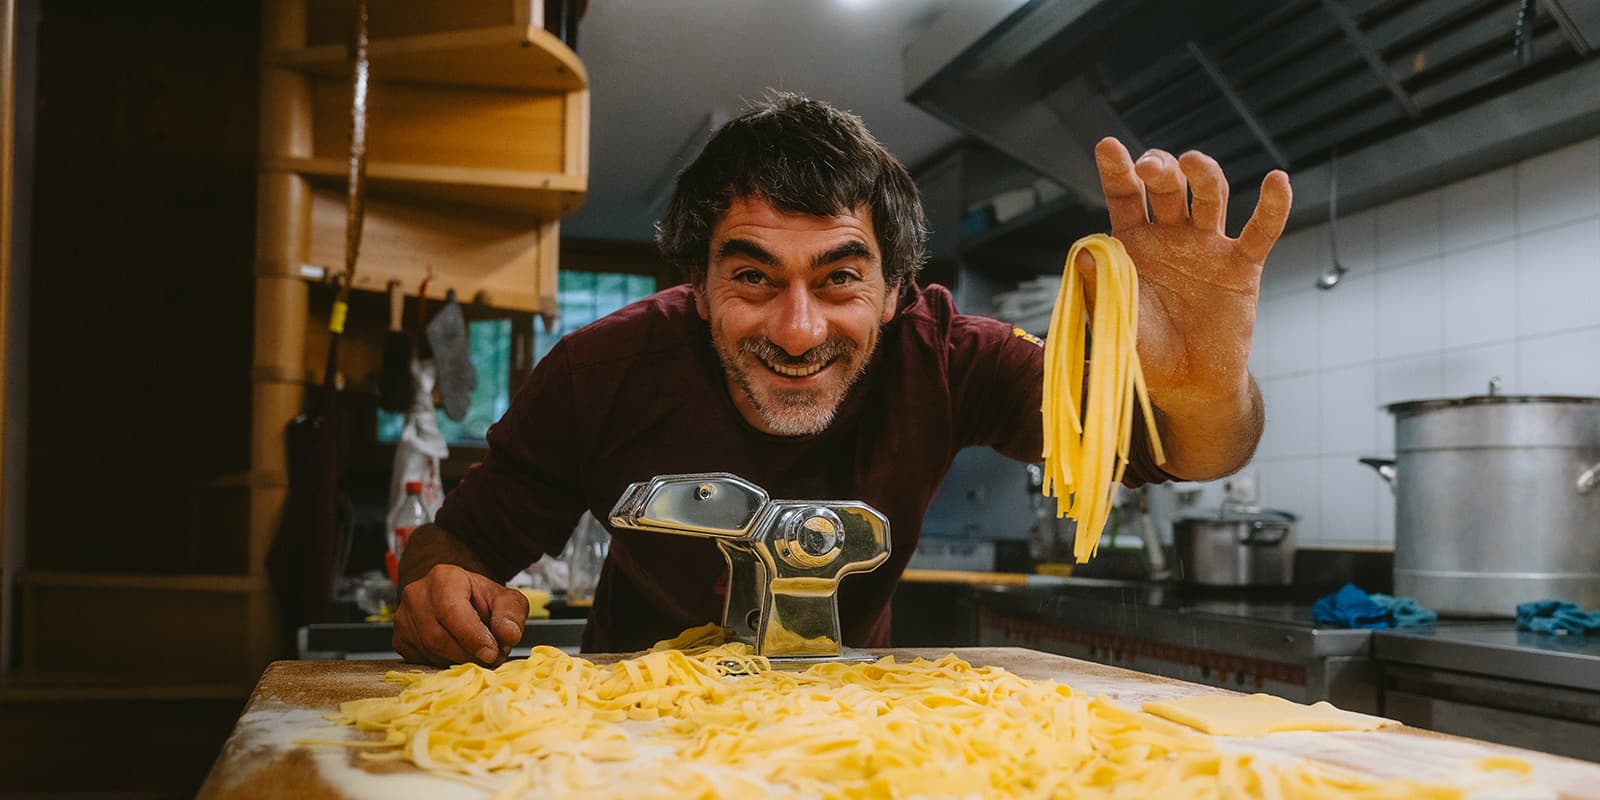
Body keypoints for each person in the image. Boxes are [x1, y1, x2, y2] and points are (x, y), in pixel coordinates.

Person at [392, 92, 1291, 667]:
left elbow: (1174, 454)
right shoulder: (602, 371)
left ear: (899, 291)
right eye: (750, 277)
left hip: (847, 736)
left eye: (839, 278)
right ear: (698, 290)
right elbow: (457, 545)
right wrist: (440, 593)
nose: (797, 328)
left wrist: (1205, 389)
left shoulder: (946, 357)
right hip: (627, 739)